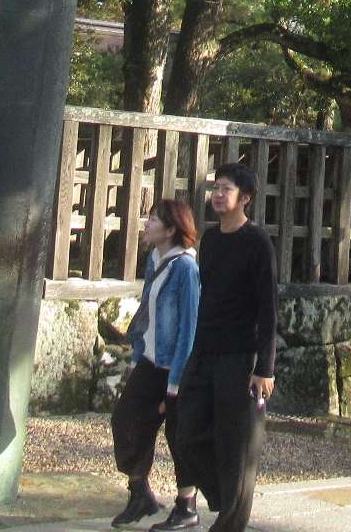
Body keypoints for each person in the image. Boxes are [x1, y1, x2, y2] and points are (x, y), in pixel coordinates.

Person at [171, 161, 277, 532]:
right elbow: (208, 297)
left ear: (244, 198)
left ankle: (230, 522)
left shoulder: (257, 242)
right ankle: (222, 499)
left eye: (226, 189)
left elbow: (268, 307)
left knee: (236, 448)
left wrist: (265, 367)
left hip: (239, 355)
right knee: (186, 434)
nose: (217, 195)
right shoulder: (211, 239)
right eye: (215, 188)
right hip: (204, 351)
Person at [109, 198, 203, 529]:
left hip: (175, 364)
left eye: (153, 220)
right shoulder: (155, 259)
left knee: (179, 435)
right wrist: (137, 356)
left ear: (171, 229)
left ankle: (187, 506)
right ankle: (140, 494)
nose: (146, 225)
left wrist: (176, 383)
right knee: (127, 420)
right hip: (150, 358)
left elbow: (188, 328)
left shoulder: (186, 269)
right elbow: (147, 313)